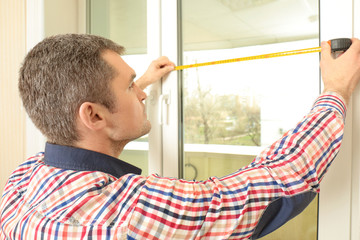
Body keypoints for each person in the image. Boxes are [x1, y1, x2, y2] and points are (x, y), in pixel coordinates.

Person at [0, 34, 359, 240]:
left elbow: (90, 121)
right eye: (129, 87)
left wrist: (137, 84)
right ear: (93, 114)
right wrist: (337, 89)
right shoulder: (132, 212)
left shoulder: (23, 180)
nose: (140, 95)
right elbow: (284, 176)